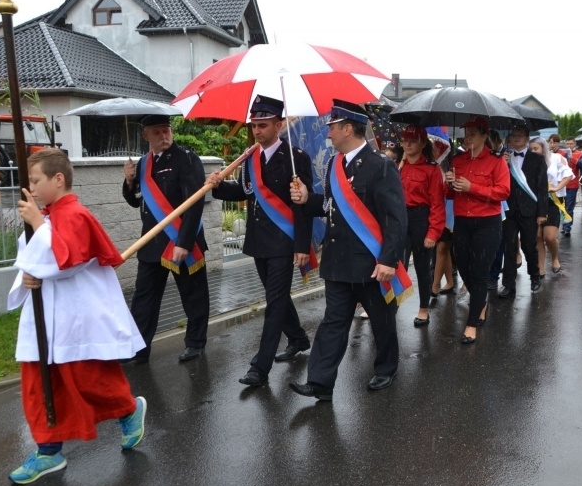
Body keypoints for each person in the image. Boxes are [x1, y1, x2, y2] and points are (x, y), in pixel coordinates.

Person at [8, 149, 146, 485]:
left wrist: (39, 227)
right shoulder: (47, 216)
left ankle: (129, 410)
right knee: (38, 384)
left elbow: (65, 259)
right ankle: (48, 451)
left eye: (37, 181)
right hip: (43, 316)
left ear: (58, 179)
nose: (33, 189)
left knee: (89, 378)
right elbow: (34, 258)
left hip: (72, 317)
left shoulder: (76, 215)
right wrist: (27, 274)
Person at [288, 100, 408, 400]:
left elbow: (396, 217)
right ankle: (320, 382)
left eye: (332, 127)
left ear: (347, 128)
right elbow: (331, 207)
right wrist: (307, 199)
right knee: (333, 323)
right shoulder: (333, 165)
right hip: (338, 263)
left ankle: (385, 369)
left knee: (382, 322)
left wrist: (389, 259)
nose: (328, 134)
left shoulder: (381, 165)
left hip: (371, 264)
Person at [206, 96, 314, 387]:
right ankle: (299, 338)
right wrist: (218, 186)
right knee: (276, 295)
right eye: (254, 126)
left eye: (263, 125)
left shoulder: (296, 157)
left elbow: (303, 206)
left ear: (279, 125)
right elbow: (245, 192)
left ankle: (260, 367)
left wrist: (302, 245)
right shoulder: (249, 158)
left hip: (283, 240)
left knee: (274, 301)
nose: (257, 131)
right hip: (258, 241)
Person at [122, 115, 210, 363]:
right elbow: (135, 201)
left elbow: (195, 204)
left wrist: (183, 242)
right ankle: (139, 350)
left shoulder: (187, 159)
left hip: (181, 241)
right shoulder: (142, 164)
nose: (164, 136)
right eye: (157, 132)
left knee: (193, 296)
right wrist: (129, 180)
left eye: (166, 130)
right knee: (144, 299)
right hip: (151, 244)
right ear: (146, 135)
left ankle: (195, 343)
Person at [446, 116, 510, 342]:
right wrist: (448, 183)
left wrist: (472, 187)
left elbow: (503, 192)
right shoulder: (458, 159)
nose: (467, 137)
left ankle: (472, 323)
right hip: (462, 221)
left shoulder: (496, 161)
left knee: (479, 272)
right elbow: (450, 194)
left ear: (484, 135)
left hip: (487, 223)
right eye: (466, 132)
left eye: (473, 133)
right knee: (463, 268)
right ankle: (479, 302)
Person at [398, 125, 446, 327]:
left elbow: (437, 204)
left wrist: (433, 233)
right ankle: (392, 305)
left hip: (421, 219)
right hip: (400, 220)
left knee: (422, 268)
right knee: (396, 265)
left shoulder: (432, 170)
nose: (407, 144)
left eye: (413, 140)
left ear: (423, 143)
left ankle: (424, 308)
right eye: (404, 140)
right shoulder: (397, 167)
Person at [498, 123, 547, 299]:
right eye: (513, 134)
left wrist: (542, 212)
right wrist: (501, 165)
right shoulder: (503, 158)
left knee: (529, 246)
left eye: (520, 134)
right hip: (509, 210)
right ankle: (508, 285)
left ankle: (535, 277)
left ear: (527, 138)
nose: (516, 137)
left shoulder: (537, 159)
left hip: (529, 210)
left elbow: (542, 187)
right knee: (509, 247)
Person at [531, 137, 573, 274]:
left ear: (543, 148)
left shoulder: (556, 158)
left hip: (553, 201)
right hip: (535, 202)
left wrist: (556, 187)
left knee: (549, 236)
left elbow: (568, 175)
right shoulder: (528, 161)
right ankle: (540, 268)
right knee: (537, 236)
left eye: (536, 148)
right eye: (531, 149)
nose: (533, 151)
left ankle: (554, 257)